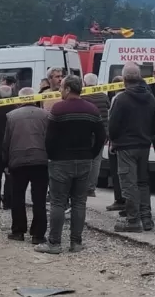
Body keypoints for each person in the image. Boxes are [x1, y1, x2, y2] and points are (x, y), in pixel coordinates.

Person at [37, 75, 106, 254]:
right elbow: (100, 135)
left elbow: (49, 137)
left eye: (61, 87)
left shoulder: (58, 109)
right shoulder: (92, 109)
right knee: (79, 202)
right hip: (84, 161)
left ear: (68, 89)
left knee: (58, 202)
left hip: (61, 161)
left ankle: (54, 243)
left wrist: (52, 156)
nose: (59, 90)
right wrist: (91, 154)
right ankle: (76, 242)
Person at [109, 62, 155, 232]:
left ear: (123, 79)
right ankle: (147, 219)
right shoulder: (150, 97)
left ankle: (133, 220)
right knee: (143, 182)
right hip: (144, 145)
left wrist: (113, 141)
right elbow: (154, 121)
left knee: (128, 183)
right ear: (139, 77)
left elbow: (113, 124)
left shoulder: (121, 98)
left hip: (125, 146)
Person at [3, 87, 50, 244]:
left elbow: (6, 142)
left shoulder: (11, 116)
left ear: (19, 99)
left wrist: (6, 162)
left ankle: (18, 231)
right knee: (39, 199)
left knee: (17, 197)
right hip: (40, 161)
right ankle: (38, 234)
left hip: (18, 161)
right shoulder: (45, 115)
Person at [82, 73, 111, 197]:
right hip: (102, 132)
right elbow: (108, 110)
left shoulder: (83, 95)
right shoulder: (104, 96)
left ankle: (82, 186)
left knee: (85, 160)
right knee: (96, 161)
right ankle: (91, 188)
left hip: (86, 133)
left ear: (85, 83)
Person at [106, 75, 127, 213]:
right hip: (129, 140)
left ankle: (120, 199)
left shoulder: (117, 99)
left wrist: (111, 140)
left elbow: (112, 120)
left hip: (118, 140)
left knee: (117, 171)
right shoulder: (130, 97)